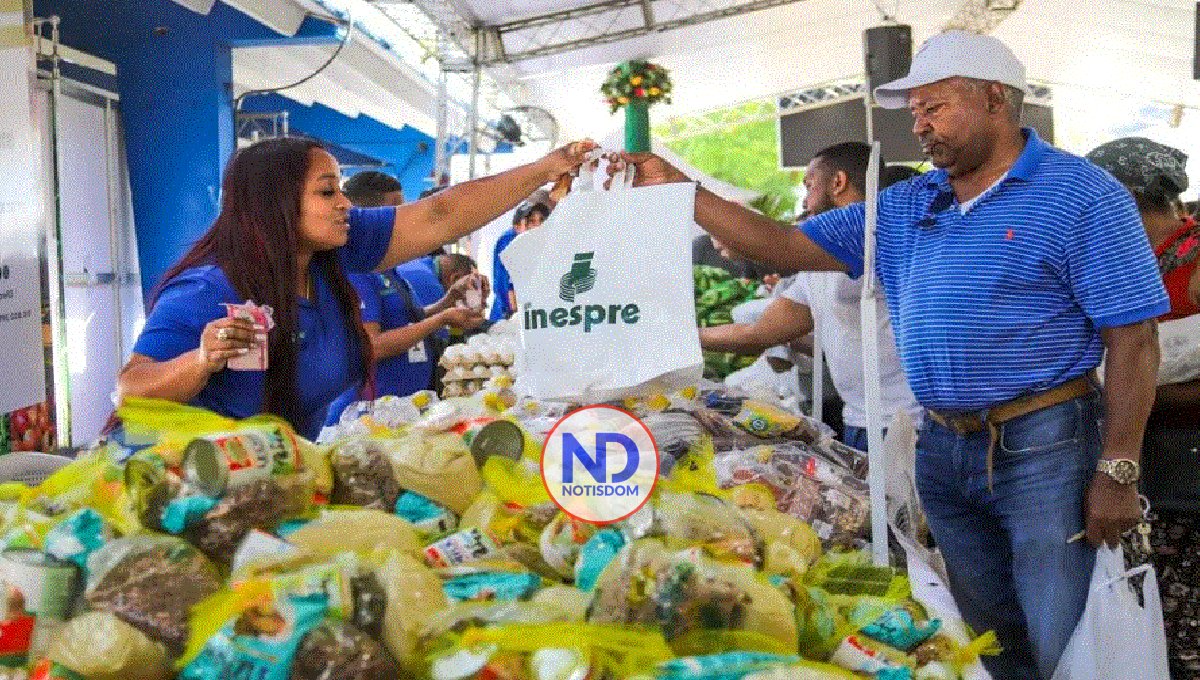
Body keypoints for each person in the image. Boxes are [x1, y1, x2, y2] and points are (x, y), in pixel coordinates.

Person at [617, 31, 1167, 679]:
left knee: (1063, 631)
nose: (920, 126)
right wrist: (684, 190)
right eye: (914, 113)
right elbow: (780, 246)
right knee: (986, 637)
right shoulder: (906, 206)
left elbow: (1133, 339)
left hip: (1045, 445)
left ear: (995, 99)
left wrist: (1119, 468)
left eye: (933, 107)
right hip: (941, 446)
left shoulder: (1082, 195)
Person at [117, 136, 591, 440]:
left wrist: (544, 168)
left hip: (279, 476)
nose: (345, 203)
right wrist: (202, 359)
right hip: (192, 493)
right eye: (328, 192)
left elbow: (440, 214)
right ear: (276, 204)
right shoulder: (210, 287)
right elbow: (131, 391)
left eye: (342, 189)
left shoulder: (332, 254)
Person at [700, 142, 921, 451]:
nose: (805, 199)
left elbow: (776, 243)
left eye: (810, 185)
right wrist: (684, 337)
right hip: (861, 420)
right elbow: (758, 334)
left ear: (838, 182)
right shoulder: (816, 267)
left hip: (910, 423)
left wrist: (690, 196)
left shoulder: (876, 235)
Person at [1087, 137, 1200, 680]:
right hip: (1139, 464)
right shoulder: (1127, 260)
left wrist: (1134, 388)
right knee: (1147, 618)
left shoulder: (1194, 255)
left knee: (1186, 630)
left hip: (1188, 469)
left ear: (1124, 198)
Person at [326, 185, 486, 425]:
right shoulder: (358, 272)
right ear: (373, 217)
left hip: (401, 414)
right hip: (368, 419)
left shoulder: (390, 269)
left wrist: (448, 301)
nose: (408, 216)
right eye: (398, 208)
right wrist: (440, 320)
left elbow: (406, 321)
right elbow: (373, 345)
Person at [490, 200, 551, 321]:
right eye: (531, 222)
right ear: (517, 227)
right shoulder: (509, 242)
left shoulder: (538, 243)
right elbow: (508, 286)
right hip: (508, 317)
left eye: (542, 221)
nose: (538, 226)